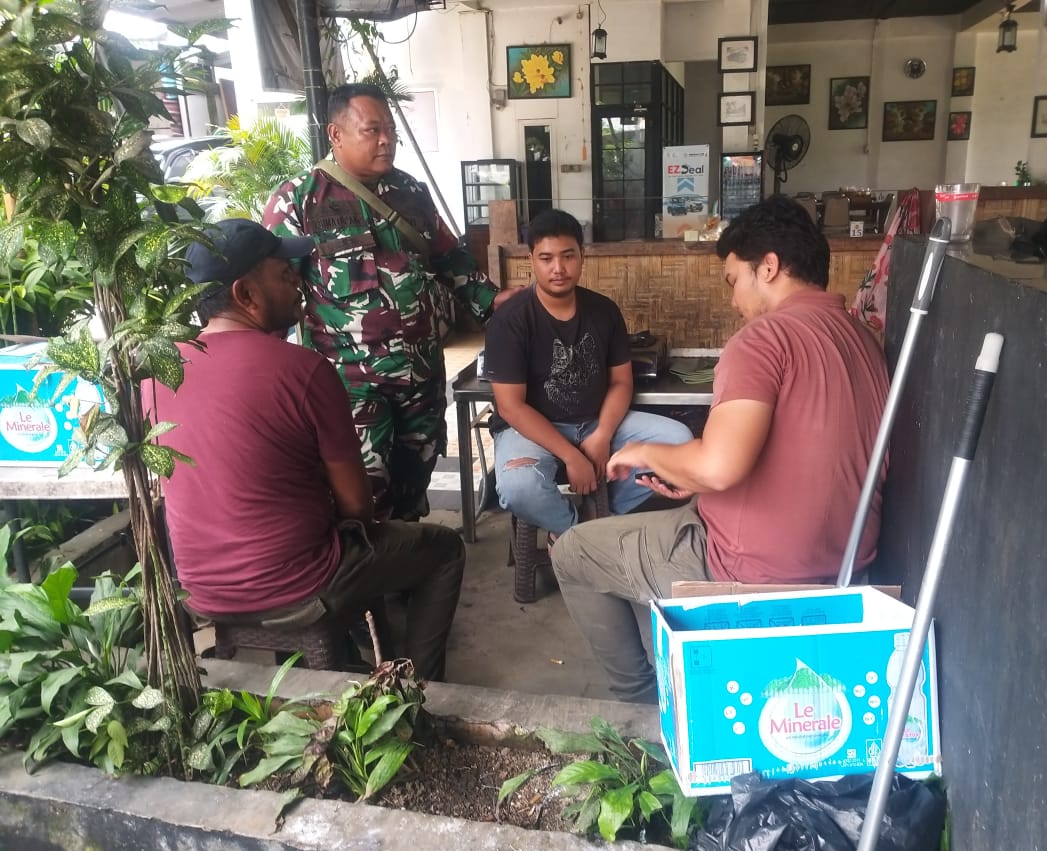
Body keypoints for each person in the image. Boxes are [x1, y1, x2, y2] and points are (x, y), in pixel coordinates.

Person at [550, 195, 890, 702]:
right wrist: (689, 477)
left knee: (573, 552)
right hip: (848, 562)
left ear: (767, 267)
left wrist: (643, 450)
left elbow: (719, 466)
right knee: (684, 502)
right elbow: (791, 456)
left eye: (734, 281)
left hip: (753, 572)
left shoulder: (762, 340)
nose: (733, 301)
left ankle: (641, 703)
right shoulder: (861, 340)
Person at [147, 219, 465, 680]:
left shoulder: (158, 373)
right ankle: (417, 689)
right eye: (283, 274)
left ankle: (336, 656)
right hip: (299, 583)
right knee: (444, 549)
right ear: (245, 294)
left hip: (199, 589)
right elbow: (358, 507)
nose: (298, 281)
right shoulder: (303, 369)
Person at [263, 82, 520, 522]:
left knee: (413, 480)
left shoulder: (411, 192)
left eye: (391, 130)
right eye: (373, 129)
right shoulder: (298, 201)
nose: (387, 140)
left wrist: (493, 300)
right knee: (363, 492)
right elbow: (275, 290)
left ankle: (409, 556)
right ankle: (370, 563)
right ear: (336, 134)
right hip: (350, 384)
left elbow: (448, 256)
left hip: (421, 374)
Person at [482, 209, 693, 537]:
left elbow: (621, 381)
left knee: (680, 443)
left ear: (582, 255)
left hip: (595, 421)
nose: (558, 268)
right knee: (519, 487)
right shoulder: (510, 320)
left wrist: (603, 434)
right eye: (546, 258)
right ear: (531, 259)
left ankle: (601, 517)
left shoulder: (603, 310)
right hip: (529, 431)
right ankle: (578, 533)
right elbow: (511, 407)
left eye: (568, 256)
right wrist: (571, 456)